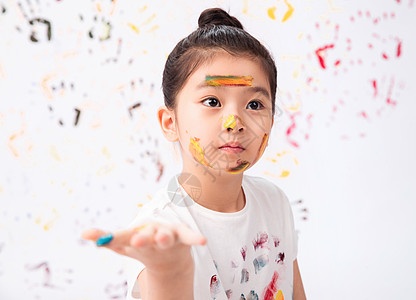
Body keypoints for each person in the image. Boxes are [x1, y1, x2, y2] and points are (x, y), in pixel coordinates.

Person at [82, 7, 307, 300]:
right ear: (170, 122)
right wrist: (169, 272)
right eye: (212, 100)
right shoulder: (159, 235)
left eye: (254, 105)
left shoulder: (274, 202)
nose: (234, 123)